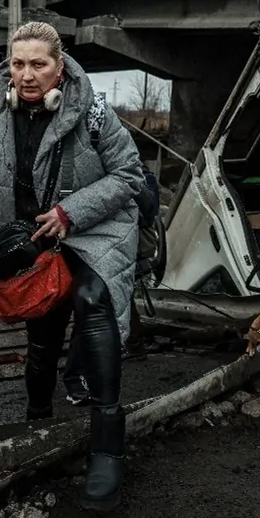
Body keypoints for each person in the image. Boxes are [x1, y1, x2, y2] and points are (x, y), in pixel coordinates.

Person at [0, 21, 145, 510]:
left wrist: (72, 212)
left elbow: (130, 175)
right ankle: (37, 426)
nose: (27, 75)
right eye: (18, 63)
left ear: (59, 66)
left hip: (92, 228)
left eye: (39, 64)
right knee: (43, 334)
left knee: (95, 303)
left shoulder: (90, 109)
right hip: (30, 239)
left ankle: (108, 446)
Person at [64, 163, 161, 404]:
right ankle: (85, 375)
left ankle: (79, 378)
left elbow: (147, 212)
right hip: (110, 255)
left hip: (117, 253)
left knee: (96, 311)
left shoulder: (136, 177)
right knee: (106, 306)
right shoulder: (129, 176)